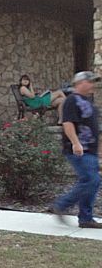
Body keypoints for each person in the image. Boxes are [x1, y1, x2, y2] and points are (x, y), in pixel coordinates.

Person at [51, 71, 102, 228]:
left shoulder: (89, 102)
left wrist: (99, 154)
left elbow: (96, 129)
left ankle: (86, 218)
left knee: (92, 182)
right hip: (79, 149)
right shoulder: (72, 100)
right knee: (91, 180)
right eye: (89, 81)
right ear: (79, 83)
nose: (92, 85)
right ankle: (61, 205)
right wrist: (75, 143)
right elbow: (68, 123)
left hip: (91, 150)